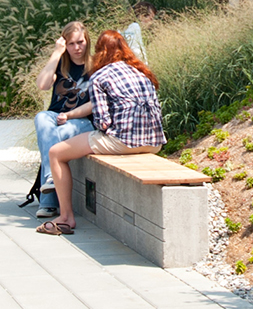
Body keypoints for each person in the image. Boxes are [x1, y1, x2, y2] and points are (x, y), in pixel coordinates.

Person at [39, 29, 165, 236]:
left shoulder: (100, 76)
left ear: (99, 52)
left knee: (56, 153)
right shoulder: (142, 72)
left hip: (123, 142)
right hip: (155, 143)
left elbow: (103, 122)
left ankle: (65, 217)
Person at [29, 22, 94, 219]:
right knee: (41, 118)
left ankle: (48, 203)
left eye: (80, 42)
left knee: (56, 134)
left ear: (87, 41)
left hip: (82, 121)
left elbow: (98, 103)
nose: (77, 48)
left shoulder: (96, 66)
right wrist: (56, 53)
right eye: (71, 43)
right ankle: (50, 178)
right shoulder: (60, 63)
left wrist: (71, 115)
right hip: (55, 118)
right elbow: (42, 85)